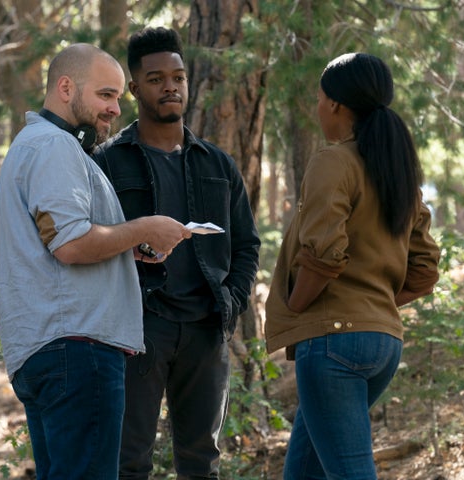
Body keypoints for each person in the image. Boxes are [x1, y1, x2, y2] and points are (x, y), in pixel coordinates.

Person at [0, 43, 191, 480]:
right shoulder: (53, 147)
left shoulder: (37, 145)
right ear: (66, 87)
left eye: (119, 97)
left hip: (53, 348)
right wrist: (143, 229)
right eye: (106, 95)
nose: (115, 109)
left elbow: (58, 237)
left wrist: (128, 247)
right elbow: (70, 244)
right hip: (77, 349)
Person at [93, 27, 260, 480]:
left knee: (202, 461)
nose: (170, 86)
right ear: (134, 88)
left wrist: (232, 301)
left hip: (206, 329)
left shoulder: (217, 164)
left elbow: (246, 245)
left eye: (179, 76)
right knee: (128, 461)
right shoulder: (108, 162)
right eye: (156, 78)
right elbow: (89, 241)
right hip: (138, 328)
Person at [264, 52, 440, 480]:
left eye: (320, 99)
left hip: (333, 344)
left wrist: (300, 306)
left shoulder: (334, 161)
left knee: (351, 473)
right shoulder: (395, 172)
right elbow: (425, 270)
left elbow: (324, 253)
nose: (318, 108)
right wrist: (372, 308)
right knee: (303, 474)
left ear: (337, 106)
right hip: (383, 343)